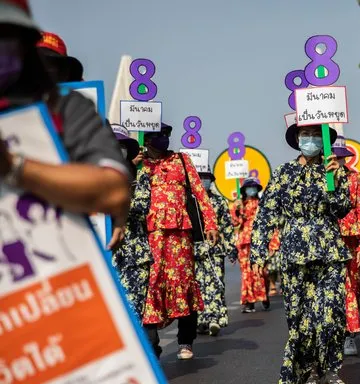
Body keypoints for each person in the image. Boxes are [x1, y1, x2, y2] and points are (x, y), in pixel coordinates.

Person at [0, 1, 129, 247]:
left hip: (53, 256)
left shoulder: (69, 108)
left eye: (6, 36)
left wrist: (13, 166)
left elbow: (114, 191)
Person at [250, 123, 352, 384]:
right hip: (295, 255)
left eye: (316, 135)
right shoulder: (284, 173)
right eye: (305, 135)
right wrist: (258, 252)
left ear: (325, 141)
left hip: (329, 251)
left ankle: (332, 372)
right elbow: (265, 214)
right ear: (296, 139)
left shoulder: (333, 171)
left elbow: (342, 209)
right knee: (301, 318)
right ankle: (309, 372)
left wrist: (336, 181)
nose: (310, 140)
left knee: (330, 314)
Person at [139, 123, 218, 361]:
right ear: (146, 138)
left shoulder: (181, 160)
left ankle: (186, 339)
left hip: (180, 233)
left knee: (183, 281)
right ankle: (152, 342)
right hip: (150, 234)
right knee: (151, 283)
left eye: (166, 135)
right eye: (157, 135)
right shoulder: (139, 165)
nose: (162, 139)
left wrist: (211, 224)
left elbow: (200, 194)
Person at [333, 137, 360, 357]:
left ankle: (349, 335)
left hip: (350, 242)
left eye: (341, 157)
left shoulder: (355, 179)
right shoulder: (316, 178)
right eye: (333, 156)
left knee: (350, 288)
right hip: (323, 241)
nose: (336, 160)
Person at [110, 125, 150, 320]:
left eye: (122, 145)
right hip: (109, 252)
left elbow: (141, 207)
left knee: (136, 310)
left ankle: (148, 347)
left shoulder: (140, 176)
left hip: (135, 253)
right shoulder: (95, 177)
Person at [196, 169, 236, 336]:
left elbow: (227, 226)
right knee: (198, 286)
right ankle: (200, 319)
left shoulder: (219, 202)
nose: (204, 181)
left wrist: (231, 248)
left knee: (216, 284)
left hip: (215, 250)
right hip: (195, 251)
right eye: (201, 177)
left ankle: (214, 318)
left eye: (207, 178)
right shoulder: (190, 202)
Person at [232, 177, 268, 313]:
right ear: (244, 190)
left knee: (259, 270)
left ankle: (263, 295)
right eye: (248, 187)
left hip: (259, 240)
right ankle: (249, 301)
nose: (251, 190)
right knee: (246, 272)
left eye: (253, 187)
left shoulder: (262, 204)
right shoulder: (240, 204)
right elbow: (235, 223)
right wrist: (237, 210)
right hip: (244, 241)